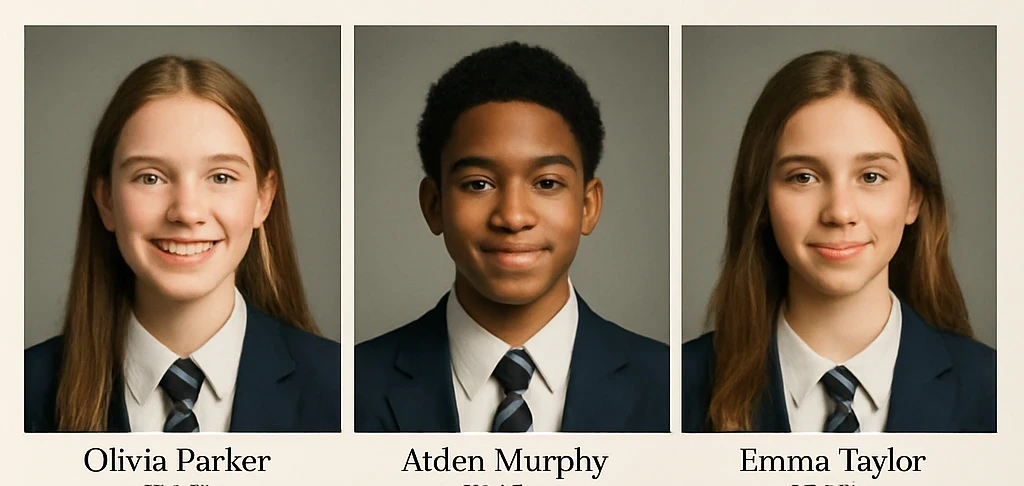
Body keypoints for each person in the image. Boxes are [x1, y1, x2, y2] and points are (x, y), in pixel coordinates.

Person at [356, 41, 668, 432]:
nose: (513, 217)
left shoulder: (668, 385)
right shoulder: (353, 387)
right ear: (434, 205)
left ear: (588, 206)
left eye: (547, 183)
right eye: (478, 184)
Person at [683, 51, 995, 433]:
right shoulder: (677, 388)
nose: (840, 212)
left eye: (871, 177)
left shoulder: (997, 391)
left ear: (914, 199)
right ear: (761, 199)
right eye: (804, 177)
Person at [25, 55, 339, 432]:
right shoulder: (18, 395)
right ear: (106, 200)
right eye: (150, 178)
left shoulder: (345, 391)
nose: (187, 212)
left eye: (221, 177)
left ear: (263, 199)